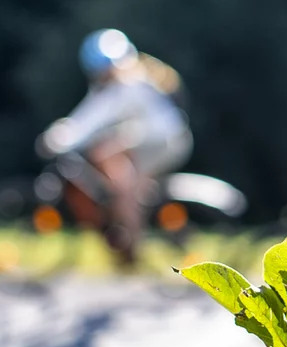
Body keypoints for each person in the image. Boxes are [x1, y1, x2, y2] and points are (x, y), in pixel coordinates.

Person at [36, 29, 193, 266]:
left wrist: (60, 138)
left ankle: (133, 247)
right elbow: (91, 113)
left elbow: (94, 117)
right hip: (151, 138)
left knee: (124, 191)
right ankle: (126, 226)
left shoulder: (127, 84)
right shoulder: (127, 79)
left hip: (163, 142)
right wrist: (65, 131)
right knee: (104, 152)